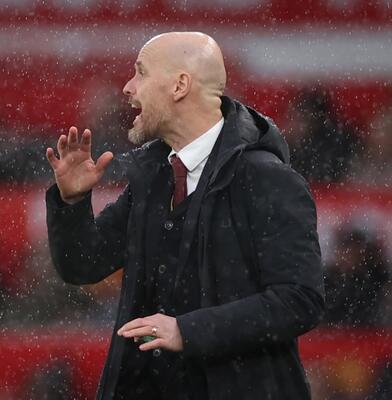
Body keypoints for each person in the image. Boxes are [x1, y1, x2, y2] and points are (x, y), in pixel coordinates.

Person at [45, 32, 324, 399]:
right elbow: (83, 265)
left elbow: (299, 300)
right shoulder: (153, 178)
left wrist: (188, 331)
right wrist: (72, 202)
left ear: (180, 86)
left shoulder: (267, 178)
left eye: (141, 72)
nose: (128, 87)